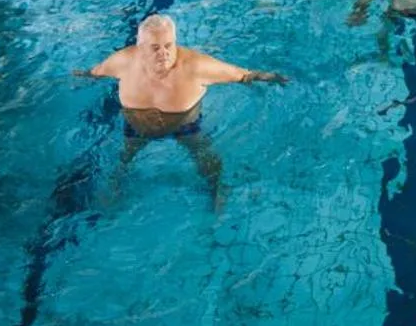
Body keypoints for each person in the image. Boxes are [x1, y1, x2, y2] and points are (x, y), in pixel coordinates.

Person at [79, 13, 282, 207]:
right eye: (155, 48)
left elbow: (242, 74)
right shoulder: (123, 62)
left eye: (169, 45)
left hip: (185, 126)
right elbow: (94, 73)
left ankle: (219, 192)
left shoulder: (196, 66)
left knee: (206, 159)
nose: (164, 53)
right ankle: (112, 193)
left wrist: (274, 78)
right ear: (140, 48)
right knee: (120, 163)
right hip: (136, 126)